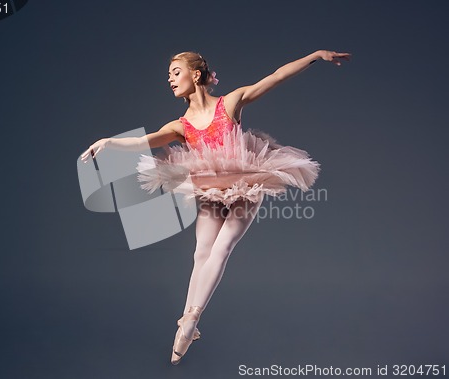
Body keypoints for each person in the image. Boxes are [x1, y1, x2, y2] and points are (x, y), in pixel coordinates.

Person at [80, 49, 351, 364]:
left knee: (219, 249)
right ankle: (188, 321)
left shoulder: (230, 103)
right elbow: (147, 140)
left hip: (245, 182)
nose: (170, 79)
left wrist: (314, 56)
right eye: (168, 75)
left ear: (196, 75)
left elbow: (276, 77)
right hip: (210, 188)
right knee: (203, 253)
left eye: (175, 72)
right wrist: (108, 142)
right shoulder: (181, 125)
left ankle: (191, 319)